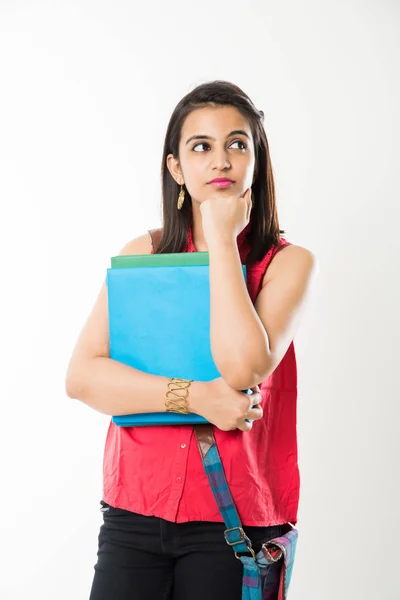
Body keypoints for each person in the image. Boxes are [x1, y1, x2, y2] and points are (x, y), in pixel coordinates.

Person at [65, 80, 318, 600]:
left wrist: (223, 240)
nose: (220, 160)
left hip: (232, 523)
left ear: (255, 159)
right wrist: (196, 397)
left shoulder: (287, 264)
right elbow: (84, 377)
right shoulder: (145, 253)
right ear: (176, 168)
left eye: (237, 144)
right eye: (200, 147)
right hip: (133, 513)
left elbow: (244, 367)